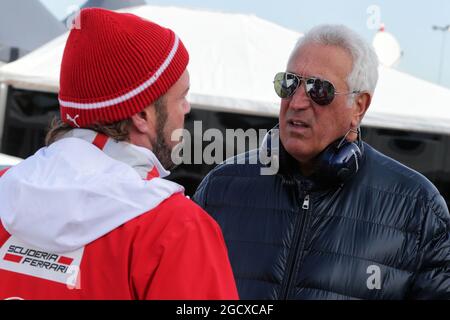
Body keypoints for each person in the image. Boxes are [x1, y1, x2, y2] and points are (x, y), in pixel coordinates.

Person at [194, 24, 450, 299]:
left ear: (359, 106)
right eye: (289, 83)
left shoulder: (418, 207)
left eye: (319, 89)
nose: (297, 102)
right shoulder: (219, 188)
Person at [0, 8, 238, 300]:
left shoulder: (5, 188)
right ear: (141, 114)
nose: (187, 109)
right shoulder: (175, 228)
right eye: (182, 96)